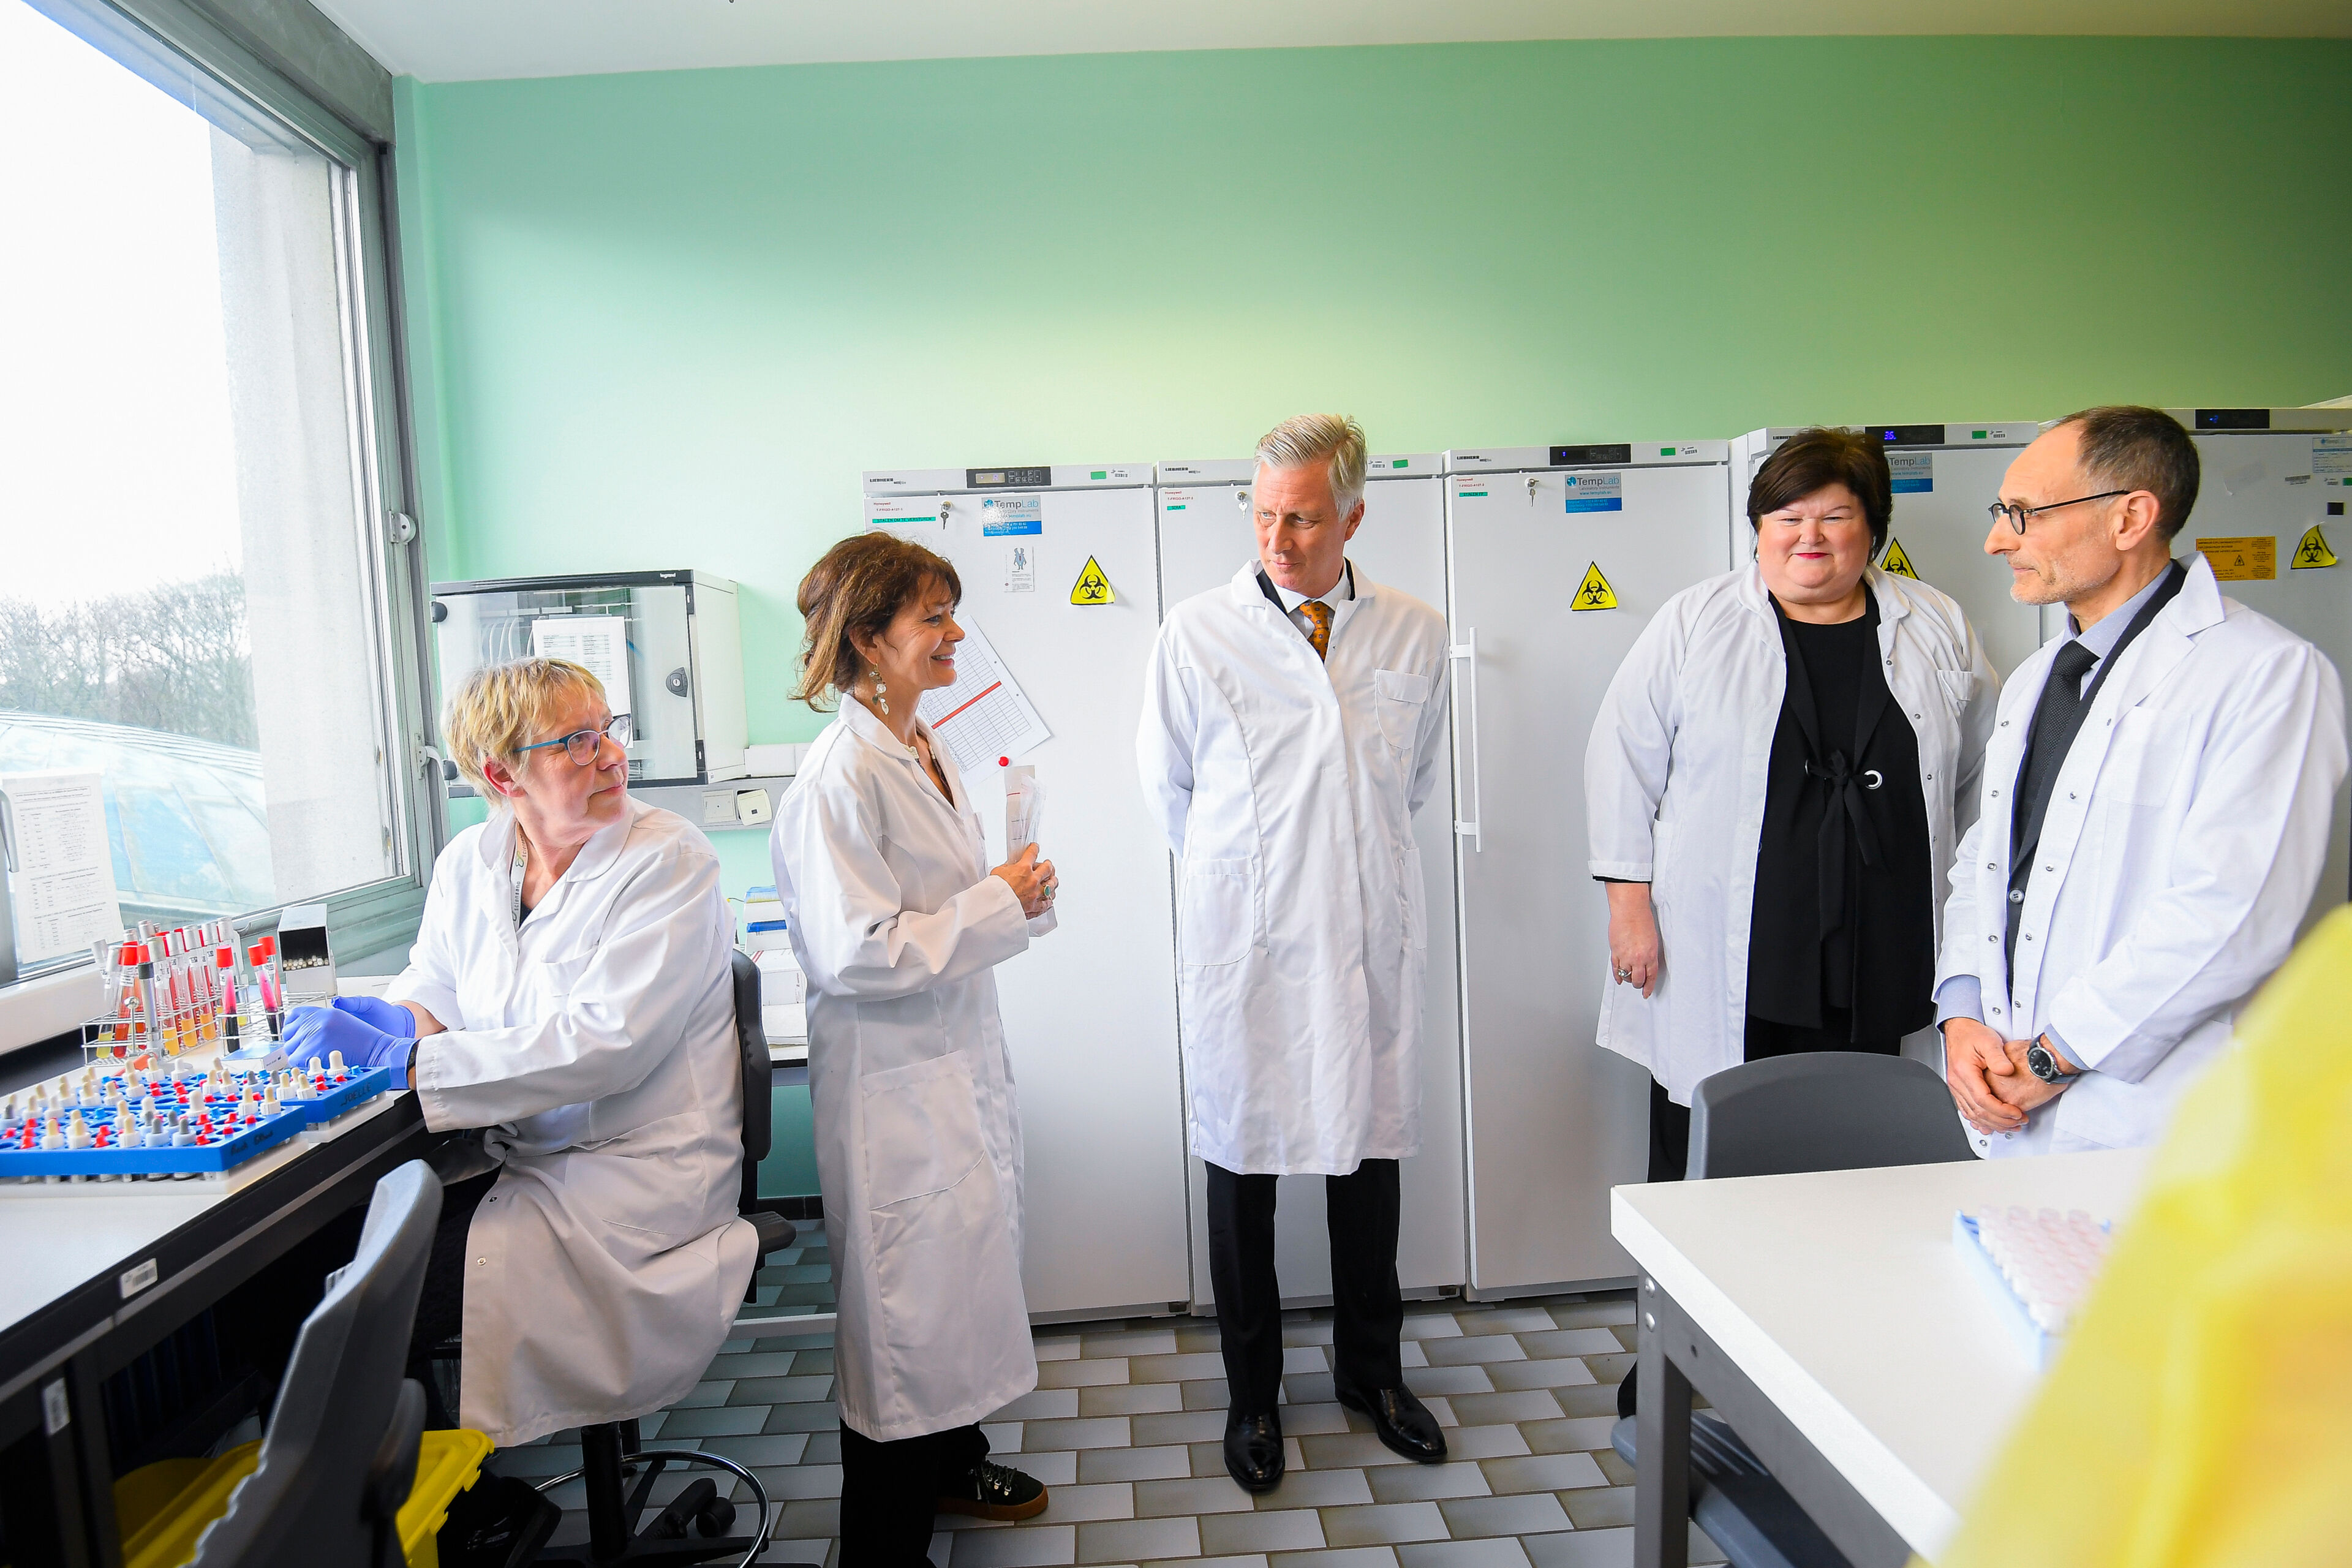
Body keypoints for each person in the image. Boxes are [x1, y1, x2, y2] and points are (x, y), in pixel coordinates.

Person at [277, 657, 757, 1447]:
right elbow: (437, 981)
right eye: (577, 741)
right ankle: (440, 1494)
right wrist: (401, 1017)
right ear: (503, 774)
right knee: (318, 1268)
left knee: (351, 1302)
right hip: (519, 1160)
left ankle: (463, 1501)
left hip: (623, 1184)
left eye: (607, 729)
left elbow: (607, 1046)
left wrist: (406, 1063)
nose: (612, 755)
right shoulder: (469, 861)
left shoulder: (669, 859)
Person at [1137, 414, 1452, 1493]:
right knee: (1244, 1173)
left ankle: (1372, 1375)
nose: (1278, 540)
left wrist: (1337, 870)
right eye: (1264, 515)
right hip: (1252, 950)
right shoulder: (1195, 634)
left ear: (1353, 518)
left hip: (1366, 944)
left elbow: (1412, 782)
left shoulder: (1415, 630)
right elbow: (1169, 792)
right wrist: (1262, 883)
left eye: (1304, 519)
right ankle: (1253, 1396)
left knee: (1369, 1165)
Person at [1588, 427, 2000, 1183]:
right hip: (1737, 935)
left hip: (1887, 938)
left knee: (1870, 1136)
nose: (1810, 536)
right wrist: (1628, 908)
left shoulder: (1936, 622)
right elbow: (1621, 761)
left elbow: (1986, 775)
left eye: (1835, 516)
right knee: (1715, 1130)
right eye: (1788, 517)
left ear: (1872, 529)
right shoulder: (1697, 620)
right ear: (1759, 528)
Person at [1937, 406, 2346, 1155]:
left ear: (2129, 518)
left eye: (2024, 514)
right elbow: (1986, 861)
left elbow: (2233, 911)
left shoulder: (2267, 674)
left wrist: (2056, 1055)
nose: (1998, 540)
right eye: (2001, 512)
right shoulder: (2038, 678)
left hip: (2151, 1121)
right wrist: (1961, 1012)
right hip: (2008, 1101)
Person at [769, 533, 1060, 1566]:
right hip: (893, 1091)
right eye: (932, 618)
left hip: (949, 1064)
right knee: (902, 1326)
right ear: (867, 637)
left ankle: (952, 1466)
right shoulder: (839, 776)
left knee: (955, 1294)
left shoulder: (920, 743)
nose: (954, 635)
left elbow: (940, 907)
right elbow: (856, 952)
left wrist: (1016, 897)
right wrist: (995, 903)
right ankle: (884, 1551)